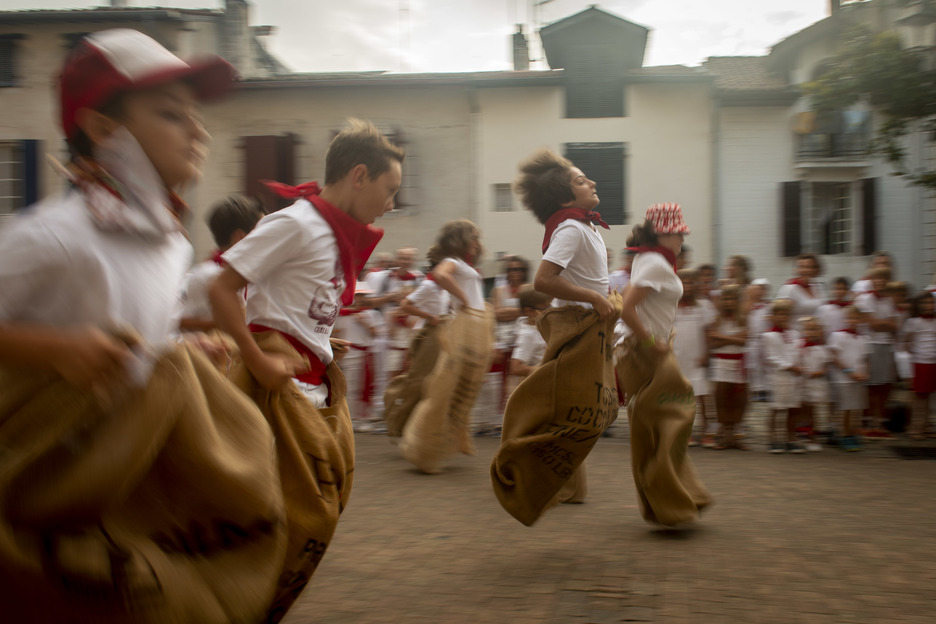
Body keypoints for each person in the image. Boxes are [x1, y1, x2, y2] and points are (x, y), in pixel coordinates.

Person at [0, 29, 290, 622]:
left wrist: (183, 348)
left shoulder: (167, 245)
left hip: (124, 483)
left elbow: (141, 335)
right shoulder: (54, 234)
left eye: (196, 116)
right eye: (170, 115)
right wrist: (54, 349)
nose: (199, 131)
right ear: (105, 130)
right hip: (46, 487)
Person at [211, 118, 403, 617]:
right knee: (296, 520)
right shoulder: (294, 223)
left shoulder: (333, 234)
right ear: (359, 175)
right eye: (390, 189)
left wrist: (318, 339)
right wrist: (256, 359)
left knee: (316, 511)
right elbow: (222, 289)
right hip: (277, 392)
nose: (392, 203)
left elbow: (295, 305)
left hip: (315, 387)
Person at [491, 149, 620, 526]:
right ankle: (519, 466)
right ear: (565, 197)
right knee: (586, 411)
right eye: (582, 180)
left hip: (593, 327)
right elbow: (544, 280)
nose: (592, 182)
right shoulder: (569, 228)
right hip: (577, 327)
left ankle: (570, 487)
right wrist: (596, 297)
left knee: (581, 411)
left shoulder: (585, 225)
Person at [617, 202, 712, 526]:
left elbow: (628, 299)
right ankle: (675, 500)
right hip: (650, 352)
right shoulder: (655, 262)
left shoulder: (649, 259)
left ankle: (675, 500)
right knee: (674, 417)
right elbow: (627, 308)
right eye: (678, 233)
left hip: (652, 348)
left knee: (657, 426)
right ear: (663, 233)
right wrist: (649, 342)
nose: (682, 238)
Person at [400, 219, 493, 473]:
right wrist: (464, 300)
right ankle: (422, 447)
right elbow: (441, 275)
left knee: (459, 390)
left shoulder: (465, 265)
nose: (476, 243)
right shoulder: (454, 263)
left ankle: (437, 445)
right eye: (472, 237)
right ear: (460, 239)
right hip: (463, 329)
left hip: (472, 328)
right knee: (445, 389)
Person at [383, 256, 452, 438]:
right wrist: (429, 317)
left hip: (440, 336)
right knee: (419, 382)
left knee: (433, 382)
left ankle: (422, 426)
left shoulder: (443, 288)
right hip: (427, 336)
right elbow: (405, 304)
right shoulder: (428, 285)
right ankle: (399, 423)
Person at [178, 194, 265, 332]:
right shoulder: (206, 275)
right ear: (240, 237)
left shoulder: (244, 276)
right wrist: (231, 321)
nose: (268, 239)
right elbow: (176, 321)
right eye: (262, 232)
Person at [853, 267, 899, 438]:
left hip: (886, 344)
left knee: (884, 384)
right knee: (871, 385)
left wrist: (885, 324)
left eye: (884, 278)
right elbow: (871, 324)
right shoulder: (865, 299)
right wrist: (886, 324)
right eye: (877, 278)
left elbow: (895, 325)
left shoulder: (889, 300)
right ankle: (867, 420)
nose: (880, 281)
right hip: (870, 344)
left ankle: (879, 421)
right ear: (871, 280)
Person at [333, 285, 383, 432]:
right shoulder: (342, 315)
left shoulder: (371, 314)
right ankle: (350, 418)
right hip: (349, 353)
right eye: (357, 296)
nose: (360, 299)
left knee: (366, 386)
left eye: (363, 296)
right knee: (350, 387)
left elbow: (376, 333)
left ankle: (364, 417)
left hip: (365, 353)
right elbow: (337, 333)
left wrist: (364, 323)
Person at [672, 268, 712, 447]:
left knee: (701, 397)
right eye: (683, 282)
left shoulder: (703, 306)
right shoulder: (671, 306)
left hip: (697, 359)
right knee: (681, 398)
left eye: (690, 283)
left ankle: (706, 432)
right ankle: (684, 432)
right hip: (678, 358)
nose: (687, 286)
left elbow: (707, 333)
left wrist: (706, 354)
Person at [708, 283, 748, 450]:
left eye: (733, 298)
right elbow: (713, 342)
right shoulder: (717, 318)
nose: (729, 301)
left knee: (739, 400)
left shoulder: (743, 318)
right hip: (721, 362)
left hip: (739, 362)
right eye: (726, 298)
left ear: (738, 300)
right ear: (722, 300)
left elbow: (745, 339)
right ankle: (724, 433)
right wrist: (734, 338)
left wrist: (722, 337)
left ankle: (735, 434)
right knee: (722, 398)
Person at [762, 298, 803, 453]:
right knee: (777, 408)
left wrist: (799, 365)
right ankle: (773, 438)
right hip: (779, 377)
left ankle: (790, 437)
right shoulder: (769, 335)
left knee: (793, 409)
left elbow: (798, 351)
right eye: (778, 314)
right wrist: (789, 366)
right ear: (772, 316)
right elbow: (771, 357)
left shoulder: (794, 334)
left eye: (785, 314)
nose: (782, 317)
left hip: (795, 376)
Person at [828, 306, 870, 451]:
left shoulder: (864, 338)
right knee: (845, 408)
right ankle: (844, 435)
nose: (852, 321)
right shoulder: (838, 336)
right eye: (850, 318)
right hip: (843, 378)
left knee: (855, 408)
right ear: (845, 319)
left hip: (859, 377)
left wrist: (865, 373)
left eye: (856, 318)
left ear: (861, 320)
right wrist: (849, 372)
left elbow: (865, 358)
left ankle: (852, 432)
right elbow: (834, 357)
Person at [902, 291, 936, 439]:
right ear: (918, 305)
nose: (928, 305)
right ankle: (915, 428)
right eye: (924, 303)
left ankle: (927, 425)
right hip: (920, 363)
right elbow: (906, 342)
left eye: (931, 302)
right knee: (920, 398)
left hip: (933, 362)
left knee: (930, 397)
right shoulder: (914, 322)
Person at [507, 284, 552, 395]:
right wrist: (543, 370)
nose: (549, 311)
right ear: (529, 311)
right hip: (537, 388)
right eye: (544, 308)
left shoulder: (536, 326)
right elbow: (516, 367)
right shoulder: (527, 335)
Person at [798, 316, 831, 451]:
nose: (812, 332)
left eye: (816, 329)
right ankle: (802, 432)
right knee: (802, 408)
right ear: (804, 330)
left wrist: (818, 372)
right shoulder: (799, 346)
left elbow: (826, 366)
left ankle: (812, 435)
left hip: (816, 383)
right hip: (802, 382)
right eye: (809, 329)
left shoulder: (822, 349)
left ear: (821, 331)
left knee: (813, 410)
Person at [776, 253, 825, 322]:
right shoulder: (789, 288)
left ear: (815, 269)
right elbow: (779, 315)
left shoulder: (818, 287)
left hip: (815, 330)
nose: (805, 270)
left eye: (808, 267)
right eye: (801, 267)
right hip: (796, 330)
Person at [746, 278, 771, 402]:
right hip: (751, 340)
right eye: (757, 289)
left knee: (765, 364)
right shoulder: (746, 307)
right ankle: (755, 389)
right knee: (753, 364)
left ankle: (766, 389)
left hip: (764, 339)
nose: (759, 292)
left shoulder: (768, 307)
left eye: (762, 289)